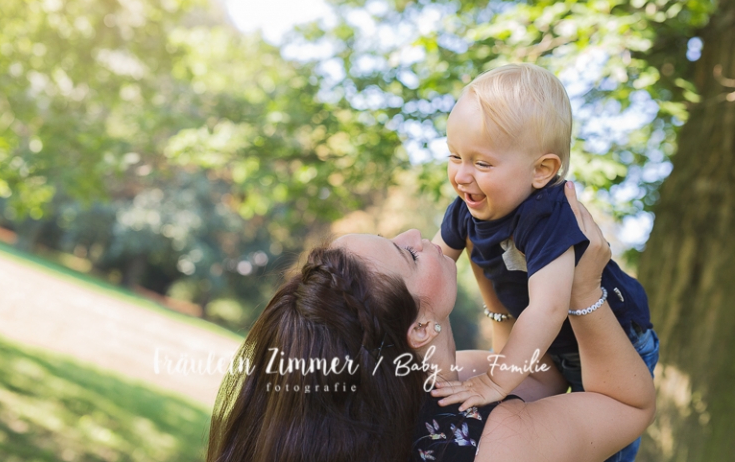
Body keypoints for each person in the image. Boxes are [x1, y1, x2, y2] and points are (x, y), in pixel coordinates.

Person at [206, 185, 656, 462]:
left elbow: (539, 377)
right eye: (406, 254)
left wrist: (493, 274)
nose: (414, 236)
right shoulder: (502, 442)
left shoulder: (436, 388)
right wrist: (584, 293)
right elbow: (629, 406)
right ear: (420, 328)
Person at [433, 64, 658, 461]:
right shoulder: (466, 209)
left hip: (610, 341)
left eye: (481, 163)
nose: (462, 175)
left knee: (602, 447)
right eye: (454, 156)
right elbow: (433, 266)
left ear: (542, 170)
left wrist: (496, 380)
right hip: (546, 350)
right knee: (512, 417)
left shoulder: (546, 214)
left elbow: (549, 306)